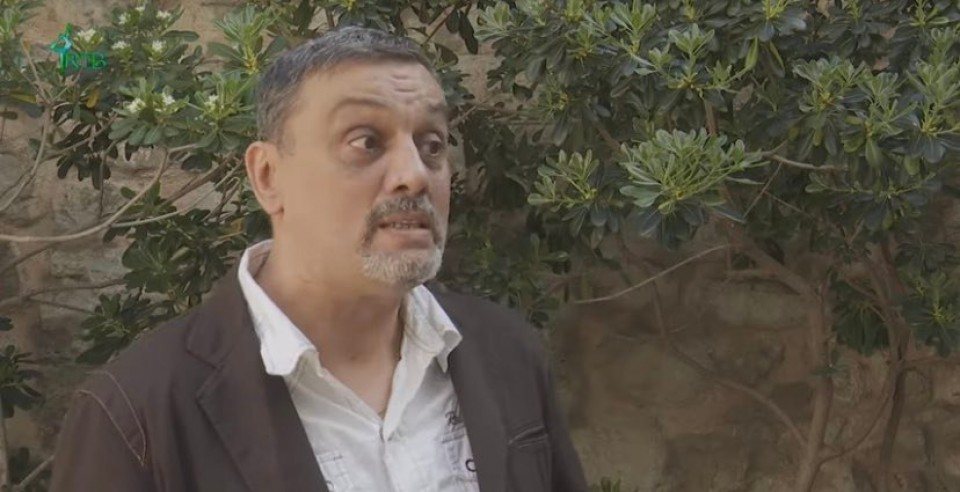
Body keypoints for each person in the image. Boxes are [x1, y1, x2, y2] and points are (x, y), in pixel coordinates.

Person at [49, 26, 588, 492]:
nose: (415, 175)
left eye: (432, 144)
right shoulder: (139, 414)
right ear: (268, 176)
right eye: (366, 141)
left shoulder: (506, 354)